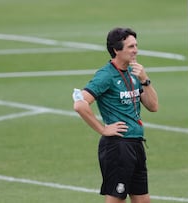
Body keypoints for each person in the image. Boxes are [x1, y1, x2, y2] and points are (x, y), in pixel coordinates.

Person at [73, 27, 158, 203]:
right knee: (116, 199)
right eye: (130, 46)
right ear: (116, 50)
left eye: (136, 45)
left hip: (136, 144)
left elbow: (153, 106)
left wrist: (145, 80)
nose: (136, 50)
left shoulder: (134, 74)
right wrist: (103, 129)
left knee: (143, 200)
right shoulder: (106, 75)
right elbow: (80, 104)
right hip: (118, 147)